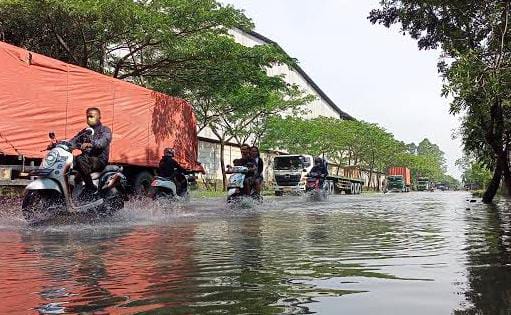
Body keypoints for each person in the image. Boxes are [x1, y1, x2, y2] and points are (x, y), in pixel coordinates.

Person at [72, 107, 112, 196]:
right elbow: (73, 141)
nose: (89, 118)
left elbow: (102, 142)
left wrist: (90, 143)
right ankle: (69, 193)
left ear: (99, 117)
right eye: (88, 116)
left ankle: (89, 187)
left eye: (92, 116)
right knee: (66, 161)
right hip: (86, 160)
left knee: (80, 158)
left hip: (99, 160)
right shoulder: (85, 132)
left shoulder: (105, 130)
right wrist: (58, 144)